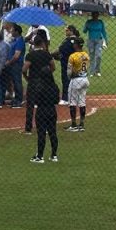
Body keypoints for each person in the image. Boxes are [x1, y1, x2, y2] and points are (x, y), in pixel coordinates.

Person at [28, 34, 60, 163]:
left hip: (41, 111)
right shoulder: (54, 87)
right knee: (53, 133)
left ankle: (40, 156)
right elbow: (57, 100)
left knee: (41, 133)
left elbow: (35, 101)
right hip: (52, 111)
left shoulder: (39, 87)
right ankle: (54, 155)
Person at [66, 37, 90, 132]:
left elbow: (69, 72)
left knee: (72, 102)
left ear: (76, 45)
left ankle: (73, 125)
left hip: (76, 81)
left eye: (74, 43)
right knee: (82, 102)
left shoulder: (73, 56)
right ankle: (82, 124)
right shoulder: (86, 55)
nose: (73, 44)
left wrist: (70, 76)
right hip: (85, 80)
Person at [55, 25, 79, 106]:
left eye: (67, 30)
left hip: (67, 63)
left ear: (71, 31)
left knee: (66, 81)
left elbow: (59, 50)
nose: (65, 32)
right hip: (75, 63)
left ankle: (65, 99)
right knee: (74, 80)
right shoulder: (76, 39)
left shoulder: (69, 40)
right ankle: (75, 98)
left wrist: (50, 54)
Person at [83, 12, 108, 77]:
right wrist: (86, 25)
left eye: (97, 15)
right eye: (94, 15)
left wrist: (106, 40)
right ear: (92, 15)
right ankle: (92, 71)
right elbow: (84, 31)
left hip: (99, 40)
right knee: (91, 56)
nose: (95, 16)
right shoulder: (89, 22)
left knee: (98, 56)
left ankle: (97, 71)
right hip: (90, 41)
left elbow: (103, 31)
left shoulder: (100, 22)